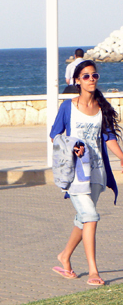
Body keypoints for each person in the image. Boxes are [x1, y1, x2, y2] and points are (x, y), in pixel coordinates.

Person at [51, 60, 123, 285]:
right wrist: (72, 146)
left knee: (83, 219)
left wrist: (122, 157)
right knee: (90, 216)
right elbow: (55, 134)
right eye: (86, 76)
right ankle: (93, 271)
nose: (91, 79)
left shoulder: (102, 107)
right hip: (75, 173)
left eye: (94, 76)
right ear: (77, 81)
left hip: (97, 171)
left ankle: (64, 256)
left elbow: (109, 137)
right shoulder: (67, 106)